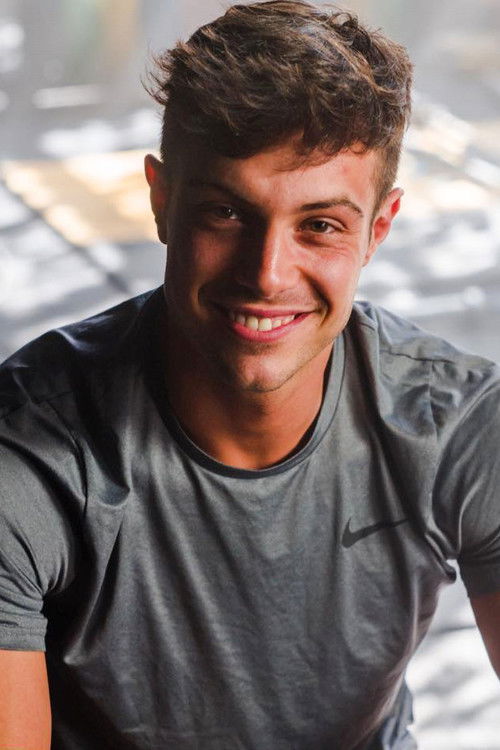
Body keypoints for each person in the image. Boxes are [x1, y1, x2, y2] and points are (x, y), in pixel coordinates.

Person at [1, 1, 499, 748]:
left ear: (378, 230)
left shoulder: (457, 426)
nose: (267, 275)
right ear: (162, 201)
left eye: (320, 225)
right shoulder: (30, 449)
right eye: (226, 214)